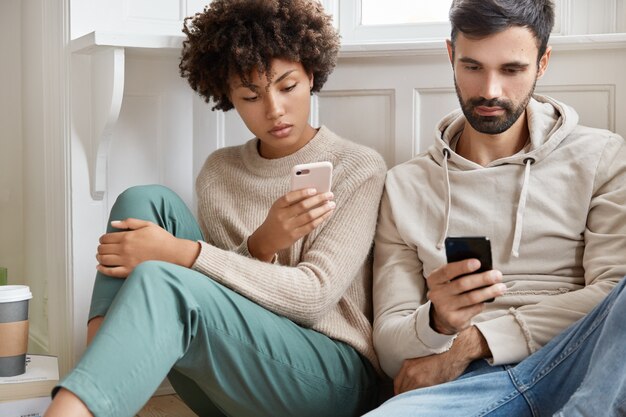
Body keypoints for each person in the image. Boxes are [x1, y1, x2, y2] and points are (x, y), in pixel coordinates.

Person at [44, 1, 387, 416]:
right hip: (242, 373)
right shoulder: (219, 173)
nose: (274, 109)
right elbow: (227, 296)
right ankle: (95, 376)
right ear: (228, 97)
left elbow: (313, 300)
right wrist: (261, 245)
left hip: (332, 381)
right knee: (143, 201)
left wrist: (182, 254)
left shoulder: (358, 167)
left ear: (311, 74)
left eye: (287, 86)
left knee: (165, 278)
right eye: (250, 95)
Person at [366, 0, 626, 415]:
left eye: (511, 69)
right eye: (472, 67)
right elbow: (391, 347)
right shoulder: (406, 186)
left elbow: (614, 296)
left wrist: (475, 340)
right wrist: (438, 322)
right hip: (466, 384)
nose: (490, 90)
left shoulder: (601, 157)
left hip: (585, 364)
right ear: (451, 56)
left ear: (542, 63)